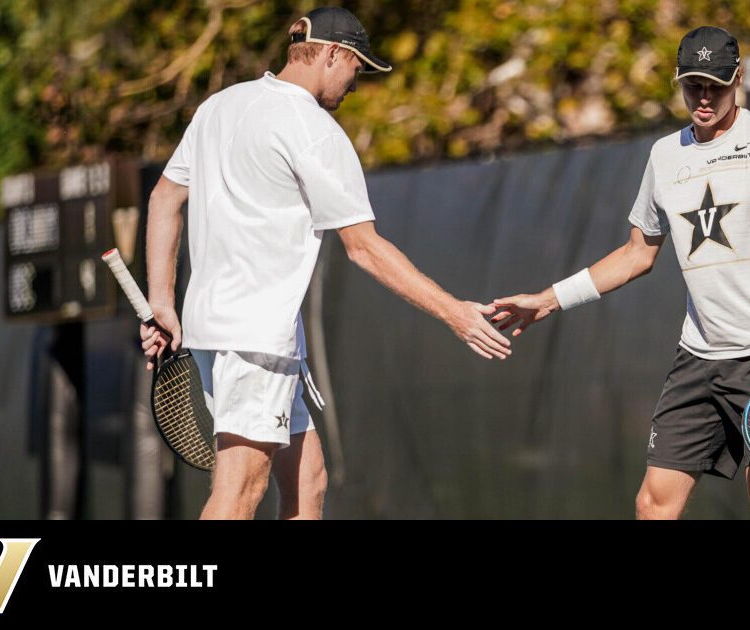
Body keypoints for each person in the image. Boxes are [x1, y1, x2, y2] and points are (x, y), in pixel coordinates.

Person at [141, 7, 512, 520]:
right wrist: (455, 313)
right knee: (239, 492)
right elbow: (364, 247)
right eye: (357, 69)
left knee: (308, 480)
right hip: (256, 337)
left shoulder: (218, 106)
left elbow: (164, 198)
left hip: (217, 328)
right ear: (334, 55)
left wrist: (162, 301)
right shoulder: (314, 129)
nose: (355, 87)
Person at [490, 26, 750, 520]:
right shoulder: (665, 156)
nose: (704, 98)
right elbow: (635, 254)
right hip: (699, 359)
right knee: (653, 505)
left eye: (715, 85)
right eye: (693, 85)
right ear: (678, 80)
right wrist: (548, 299)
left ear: (738, 79)